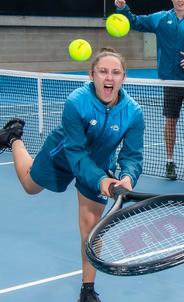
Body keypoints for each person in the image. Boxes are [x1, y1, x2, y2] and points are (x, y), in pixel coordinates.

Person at [0, 49, 145, 302]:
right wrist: (102, 181)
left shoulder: (133, 113)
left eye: (115, 72)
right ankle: (13, 137)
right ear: (92, 75)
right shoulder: (76, 102)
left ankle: (87, 290)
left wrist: (127, 178)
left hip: (99, 163)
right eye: (102, 71)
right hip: (63, 154)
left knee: (92, 229)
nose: (108, 77)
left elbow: (132, 156)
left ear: (124, 78)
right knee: (30, 185)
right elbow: (76, 153)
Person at [115, 0, 184, 180]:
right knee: (170, 121)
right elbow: (135, 22)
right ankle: (169, 161)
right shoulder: (160, 18)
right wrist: (122, 8)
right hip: (170, 81)